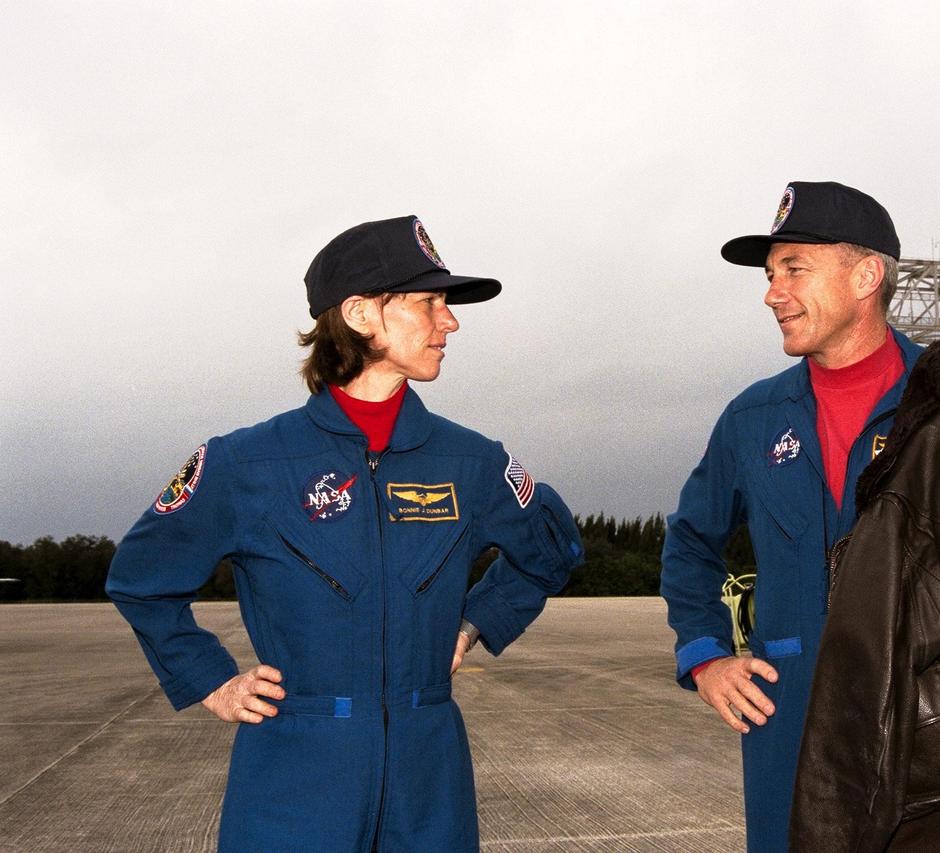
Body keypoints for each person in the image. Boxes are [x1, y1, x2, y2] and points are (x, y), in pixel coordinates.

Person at [106, 215, 584, 852]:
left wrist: (475, 624)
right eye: (428, 302)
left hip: (429, 778)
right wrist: (211, 679)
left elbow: (551, 551)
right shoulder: (246, 463)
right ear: (360, 313)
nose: (451, 321)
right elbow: (141, 578)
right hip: (293, 776)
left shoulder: (471, 462)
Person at [660, 182, 940, 852]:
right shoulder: (751, 418)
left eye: (794, 269)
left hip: (936, 731)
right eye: (770, 276)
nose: (772, 292)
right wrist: (705, 655)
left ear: (866, 275)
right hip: (789, 724)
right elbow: (688, 542)